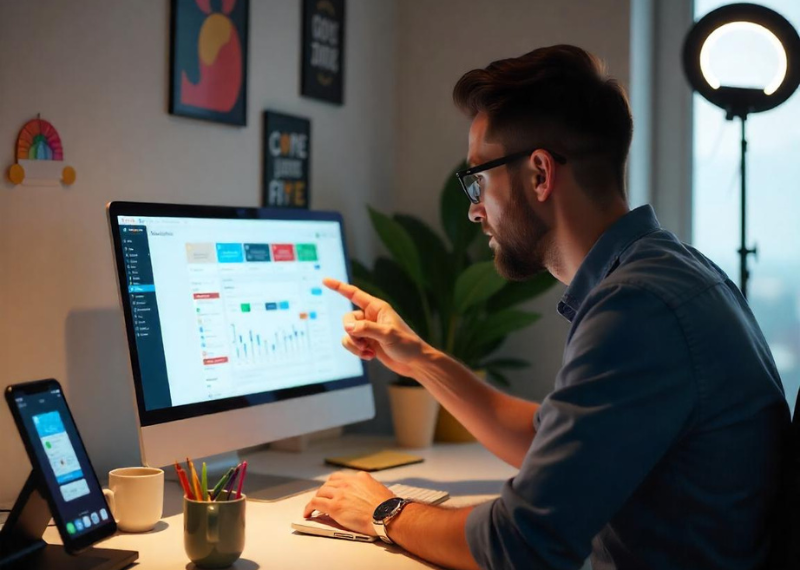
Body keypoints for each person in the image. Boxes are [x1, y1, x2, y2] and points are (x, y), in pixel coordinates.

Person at [303, 45, 790, 570]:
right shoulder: (674, 271)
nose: (474, 209)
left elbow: (521, 544)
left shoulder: (637, 308)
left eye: (479, 179)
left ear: (539, 174)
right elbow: (554, 443)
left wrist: (383, 510)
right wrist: (420, 358)